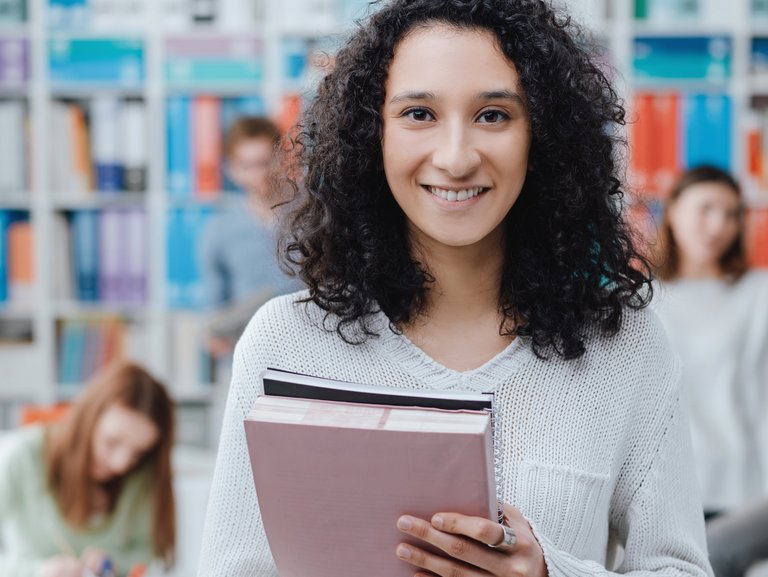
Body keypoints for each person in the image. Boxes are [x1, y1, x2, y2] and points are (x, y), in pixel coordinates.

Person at [198, 1, 712, 576]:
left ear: (541, 137)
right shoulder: (284, 343)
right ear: (374, 135)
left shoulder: (625, 346)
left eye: (493, 115)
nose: (456, 157)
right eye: (419, 113)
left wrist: (548, 575)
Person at [652, 166, 768, 577]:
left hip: (744, 488)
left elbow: (762, 399)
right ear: (673, 212)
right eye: (706, 209)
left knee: (713, 556)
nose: (718, 225)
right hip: (664, 493)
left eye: (731, 214)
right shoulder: (639, 300)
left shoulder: (758, 294)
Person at [0, 361, 176, 577]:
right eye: (111, 442)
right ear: (87, 420)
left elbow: (149, 553)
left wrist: (113, 562)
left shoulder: (142, 473)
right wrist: (37, 571)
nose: (120, 464)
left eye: (138, 453)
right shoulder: (24, 459)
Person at [199, 116, 301, 361]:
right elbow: (214, 303)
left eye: (265, 162)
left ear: (283, 157)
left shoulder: (315, 215)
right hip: (248, 354)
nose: (259, 174)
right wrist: (213, 337)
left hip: (307, 350)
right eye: (247, 166)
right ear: (231, 170)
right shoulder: (219, 228)